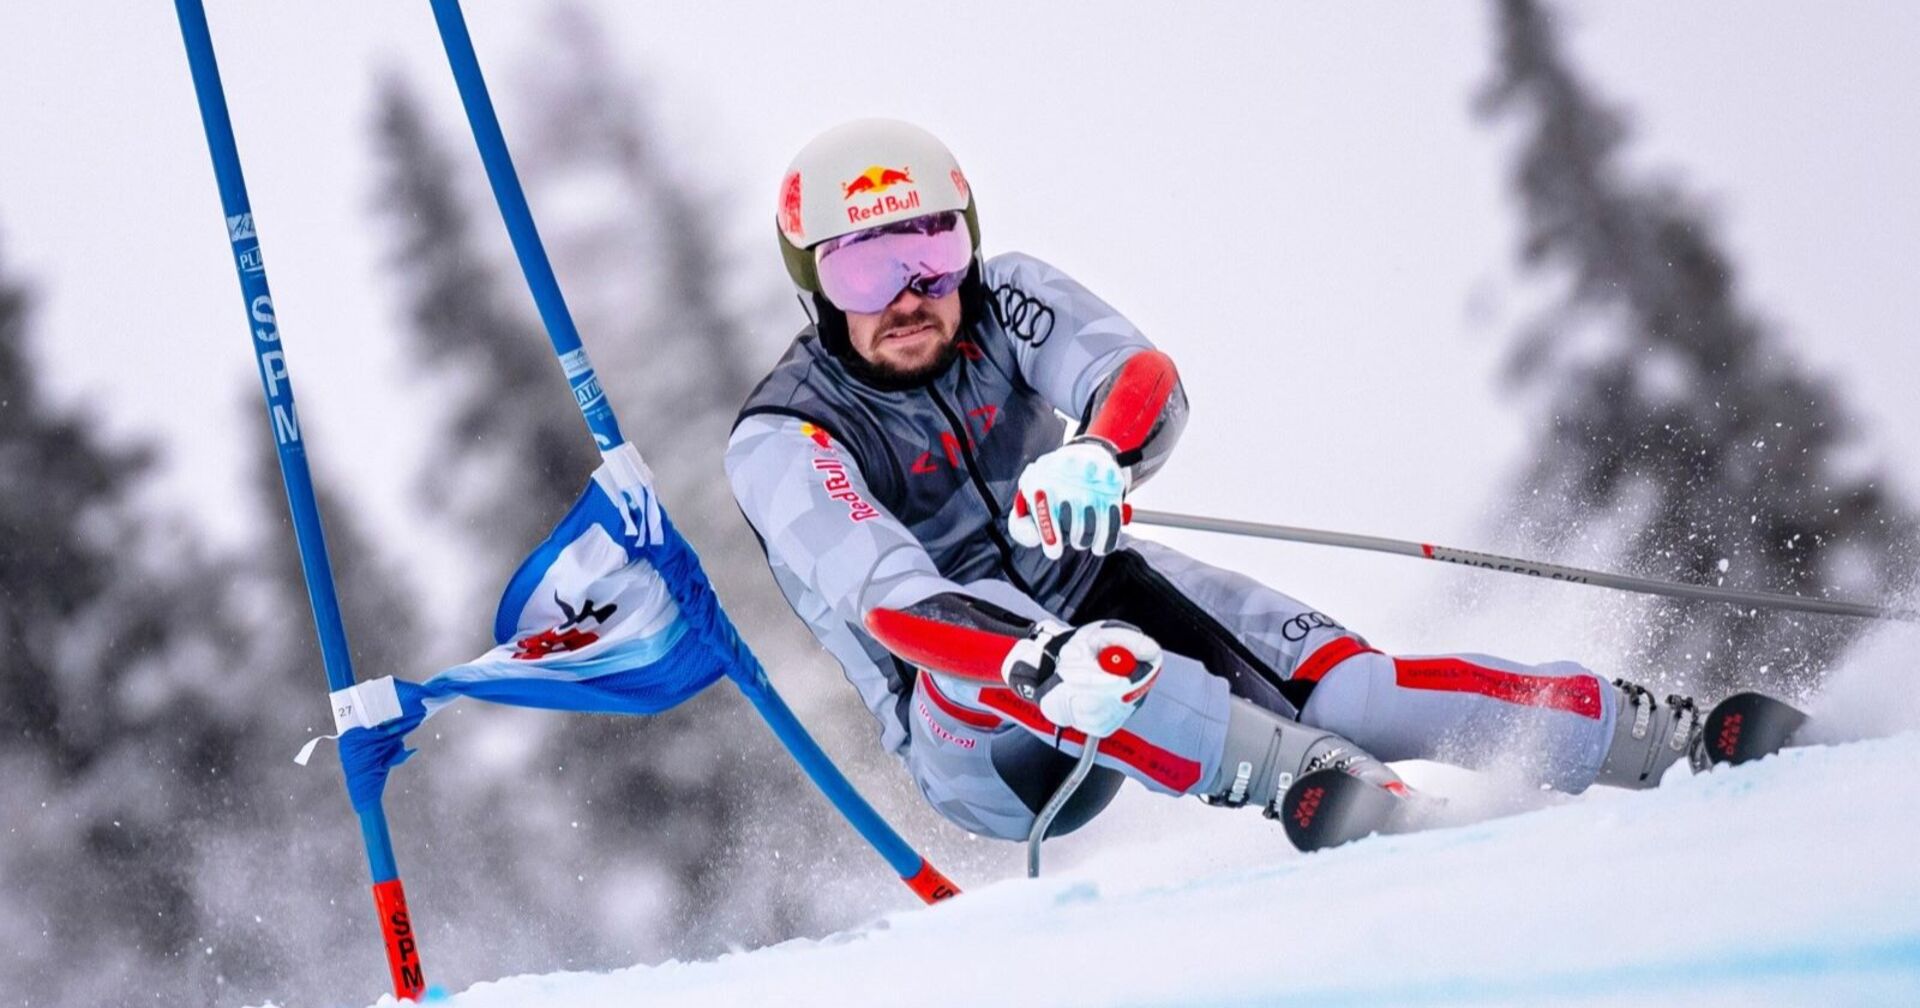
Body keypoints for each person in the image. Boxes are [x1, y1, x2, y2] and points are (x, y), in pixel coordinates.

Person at [726, 118, 1706, 848]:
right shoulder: (784, 436)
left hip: (1089, 594)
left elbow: (1139, 378)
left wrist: (1102, 451)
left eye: (932, 253)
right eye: (865, 270)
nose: (909, 295)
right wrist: (1034, 658)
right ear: (814, 287)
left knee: (1348, 693)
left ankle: (1660, 737)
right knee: (1062, 649)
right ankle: (1341, 796)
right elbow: (900, 606)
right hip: (974, 730)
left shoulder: (1006, 295)